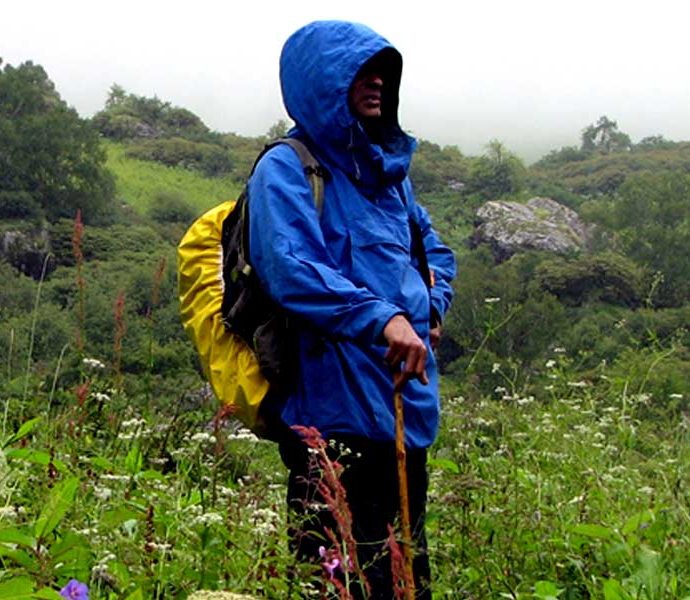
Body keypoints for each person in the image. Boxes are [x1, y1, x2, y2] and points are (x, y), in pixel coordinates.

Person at [246, 20, 456, 599]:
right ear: (321, 82)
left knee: (406, 574)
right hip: (330, 413)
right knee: (336, 577)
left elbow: (434, 251)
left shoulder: (389, 177)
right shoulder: (287, 169)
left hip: (402, 413)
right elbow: (292, 271)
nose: (377, 85)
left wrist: (428, 312)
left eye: (384, 73)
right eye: (360, 73)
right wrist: (383, 319)